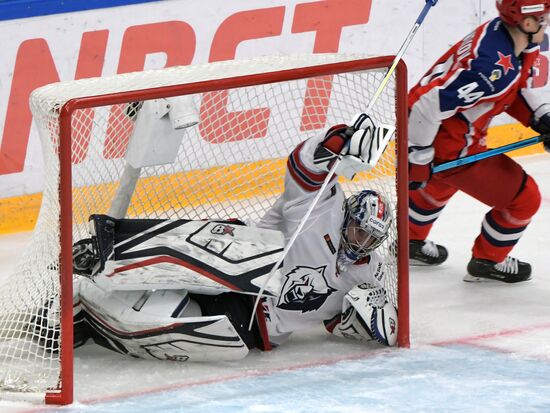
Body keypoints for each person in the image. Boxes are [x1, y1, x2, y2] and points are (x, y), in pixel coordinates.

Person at [60, 114, 398, 362]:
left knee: (172, 315)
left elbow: (352, 320)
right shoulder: (323, 208)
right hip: (236, 260)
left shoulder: (368, 272)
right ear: (348, 217)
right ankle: (109, 256)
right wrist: (336, 140)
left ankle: (84, 317)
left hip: (256, 325)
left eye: (371, 239)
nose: (361, 242)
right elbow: (304, 166)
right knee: (178, 267)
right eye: (359, 230)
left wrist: (377, 322)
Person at [407, 0, 550, 283]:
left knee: (437, 185)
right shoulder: (490, 69)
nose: (547, 22)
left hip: (442, 139)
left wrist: (540, 117)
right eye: (543, 17)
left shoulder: (502, 35)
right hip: (451, 149)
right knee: (525, 199)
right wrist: (418, 157)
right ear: (528, 23)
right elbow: (423, 106)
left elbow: (508, 92)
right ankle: (488, 260)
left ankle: (410, 242)